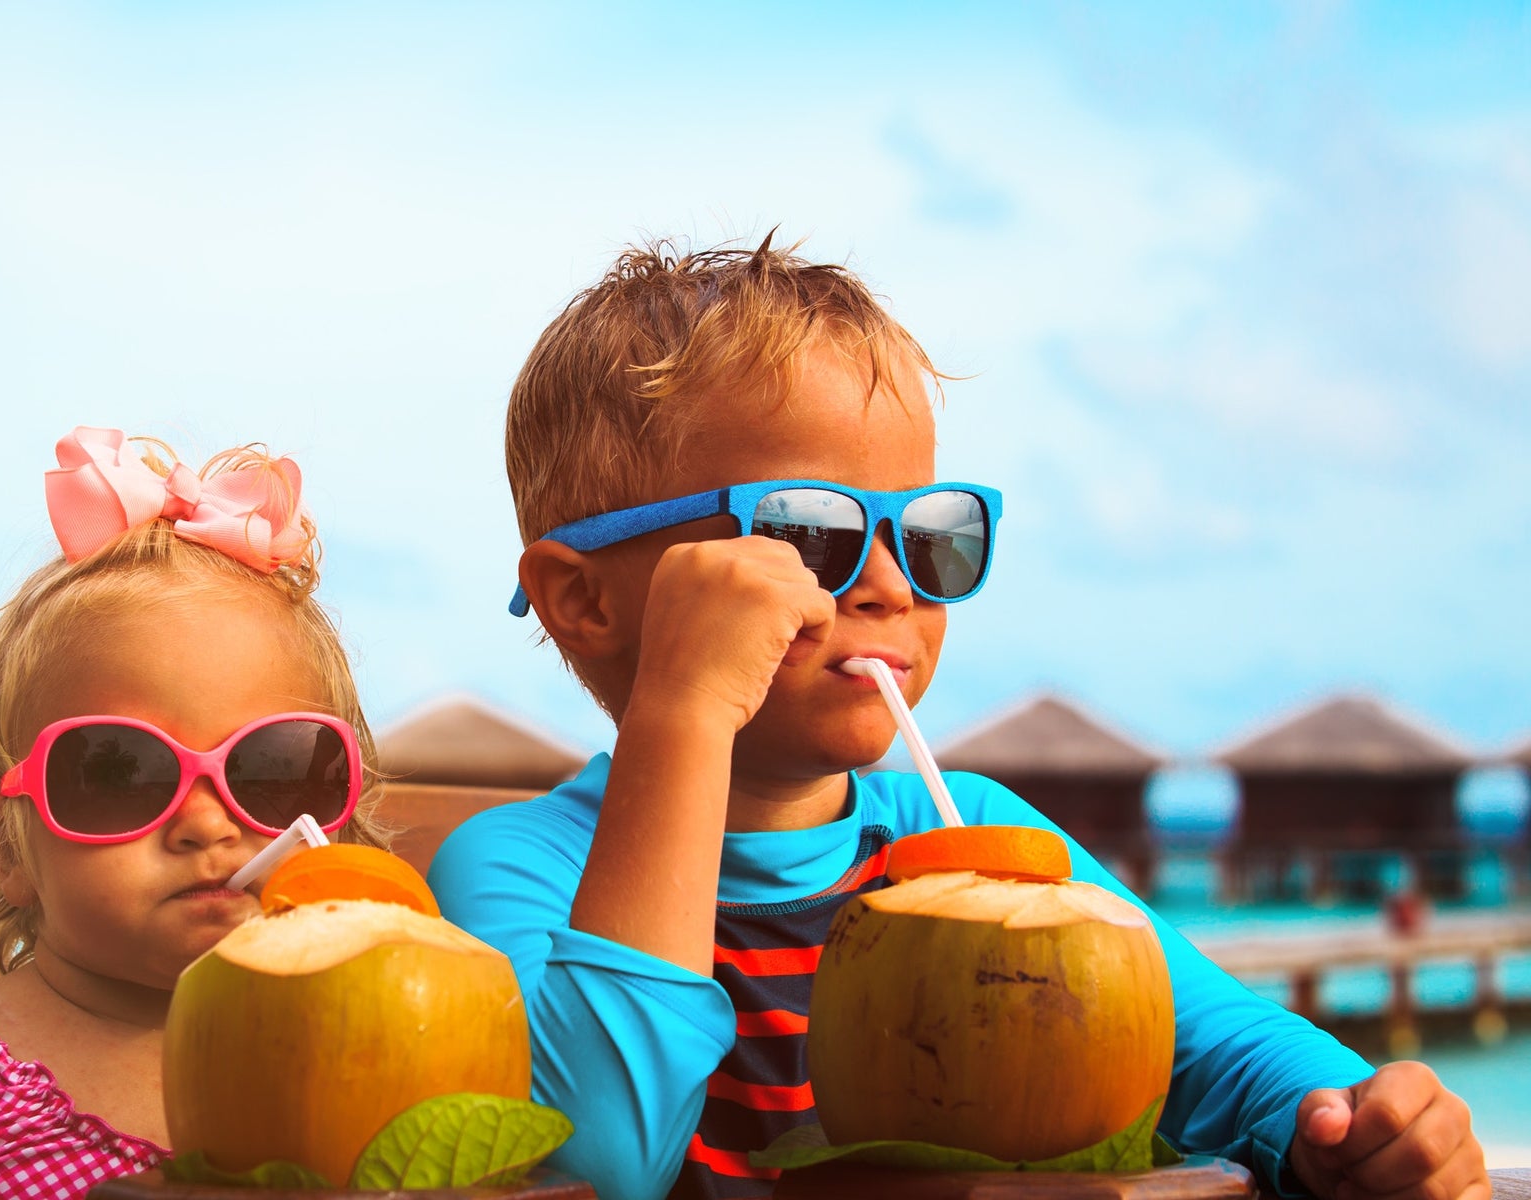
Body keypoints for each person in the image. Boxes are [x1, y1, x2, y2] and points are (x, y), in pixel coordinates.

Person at [428, 237, 1488, 1200]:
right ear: (582, 600)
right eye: (805, 534)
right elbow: (597, 1162)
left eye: (932, 534)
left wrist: (1354, 1126)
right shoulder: (522, 869)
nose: (891, 586)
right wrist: (685, 713)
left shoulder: (971, 838)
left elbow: (1211, 1046)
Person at [0, 427, 389, 1200]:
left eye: (277, 769)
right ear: (6, 847)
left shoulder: (365, 1053)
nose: (207, 824)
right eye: (118, 773)